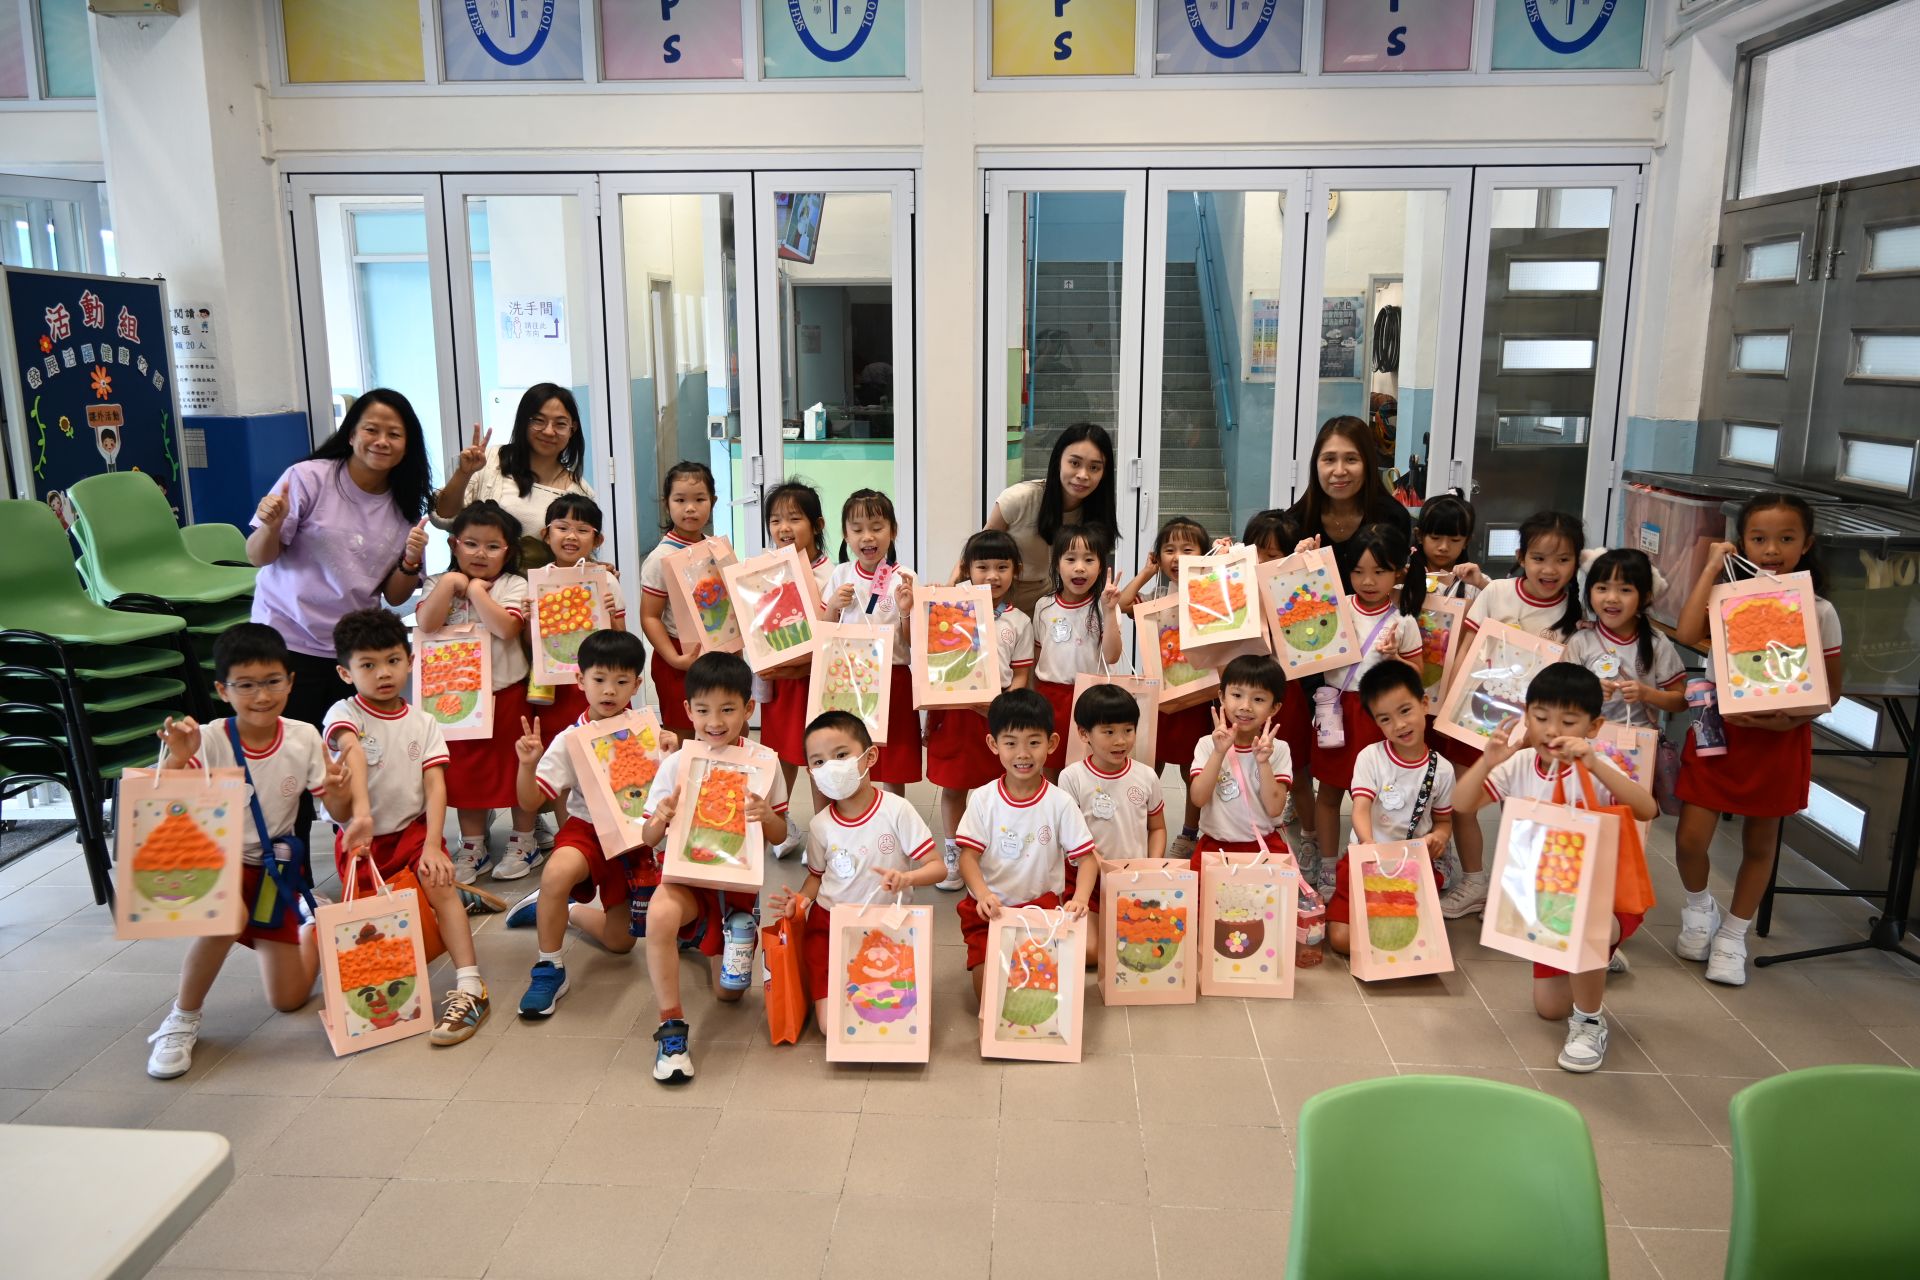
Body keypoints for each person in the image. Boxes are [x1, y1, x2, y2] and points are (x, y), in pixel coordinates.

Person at [248, 389, 433, 849]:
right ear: (351, 434)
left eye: (394, 434)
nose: (381, 441)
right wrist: (271, 524)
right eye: (372, 429)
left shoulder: (404, 506)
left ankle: (355, 859)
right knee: (288, 765)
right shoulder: (308, 478)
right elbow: (258, 556)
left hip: (351, 655)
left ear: (407, 445)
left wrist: (411, 561)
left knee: (350, 764)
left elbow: (394, 594)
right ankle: (290, 873)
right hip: (286, 638)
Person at [1451, 663, 1658, 1072]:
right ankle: (1601, 956)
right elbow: (1461, 804)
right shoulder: (1520, 764)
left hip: (1606, 900)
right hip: (1547, 903)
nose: (1551, 730)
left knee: (1588, 925)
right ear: (1526, 716)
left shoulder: (1597, 765)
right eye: (1541, 717)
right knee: (1549, 1009)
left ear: (1593, 727)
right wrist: (1487, 762)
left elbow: (1646, 808)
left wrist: (1595, 765)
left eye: (1568, 721)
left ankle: (1590, 1021)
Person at [143, 625, 329, 1079]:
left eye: (272, 682)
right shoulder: (206, 739)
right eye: (245, 685)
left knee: (288, 1000)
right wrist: (176, 759)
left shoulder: (304, 736)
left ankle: (314, 927)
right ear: (222, 690)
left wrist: (345, 795)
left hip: (274, 873)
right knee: (224, 919)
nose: (261, 696)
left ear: (290, 681)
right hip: (216, 865)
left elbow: (335, 808)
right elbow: (157, 807)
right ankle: (181, 1019)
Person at [1672, 494, 1842, 987]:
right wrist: (1712, 568)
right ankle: (1699, 909)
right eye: (1759, 538)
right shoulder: (1727, 597)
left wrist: (1788, 721)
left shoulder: (1820, 610)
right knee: (1690, 839)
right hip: (1718, 732)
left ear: (1806, 544)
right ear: (1741, 541)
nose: (1771, 550)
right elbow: (1686, 631)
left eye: (1786, 539)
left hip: (1779, 740)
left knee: (1761, 843)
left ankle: (1733, 935)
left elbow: (1831, 690)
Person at [321, 608, 491, 1046]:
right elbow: (353, 752)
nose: (383, 673)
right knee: (374, 927)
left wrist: (434, 844)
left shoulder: (424, 721)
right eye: (368, 665)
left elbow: (435, 786)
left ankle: (471, 986)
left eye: (393, 660)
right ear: (345, 673)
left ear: (411, 661)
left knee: (439, 883)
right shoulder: (343, 712)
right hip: (360, 841)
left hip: (413, 833)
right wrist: (361, 815)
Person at [638, 653, 790, 1083]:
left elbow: (780, 834)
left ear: (749, 708)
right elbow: (647, 839)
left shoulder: (764, 762)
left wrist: (768, 816)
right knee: (660, 915)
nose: (715, 721)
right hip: (686, 881)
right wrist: (660, 818)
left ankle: (713, 931)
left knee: (728, 994)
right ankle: (671, 1028)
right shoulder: (676, 764)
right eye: (703, 710)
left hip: (735, 890)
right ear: (688, 710)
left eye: (727, 709)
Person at [508, 630, 669, 1017]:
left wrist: (672, 753)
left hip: (634, 839)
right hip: (587, 830)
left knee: (621, 943)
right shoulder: (570, 739)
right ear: (580, 680)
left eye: (621, 681)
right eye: (599, 679)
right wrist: (527, 765)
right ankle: (549, 965)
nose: (609, 690)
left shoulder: (647, 729)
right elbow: (530, 801)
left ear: (637, 684)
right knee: (557, 872)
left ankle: (566, 911)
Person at [1440, 509, 1588, 921]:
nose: (1550, 569)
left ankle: (1520, 889)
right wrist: (1451, 706)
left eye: (1563, 560)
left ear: (1577, 562)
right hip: (1476, 717)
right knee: (1464, 802)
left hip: (1534, 732)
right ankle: (1474, 881)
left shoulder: (1576, 613)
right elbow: (1466, 648)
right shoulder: (1498, 593)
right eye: (1539, 558)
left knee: (1523, 808)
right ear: (1521, 556)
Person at [766, 711, 943, 1035]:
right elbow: (816, 878)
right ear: (811, 773)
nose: (831, 767)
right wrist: (800, 902)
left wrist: (907, 878)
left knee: (894, 1016)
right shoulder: (820, 825)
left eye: (841, 755)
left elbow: (937, 867)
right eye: (819, 762)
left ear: (869, 756)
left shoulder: (897, 810)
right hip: (831, 926)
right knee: (830, 1027)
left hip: (889, 928)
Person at [418, 501, 538, 883]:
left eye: (492, 546)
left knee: (515, 769)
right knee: (464, 775)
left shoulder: (514, 585)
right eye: (471, 544)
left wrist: (474, 591)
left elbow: (506, 628)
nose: (480, 554)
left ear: (508, 550)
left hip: (508, 693)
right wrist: (451, 585)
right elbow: (426, 622)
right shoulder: (437, 583)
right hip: (456, 702)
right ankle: (472, 845)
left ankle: (524, 840)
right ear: (453, 545)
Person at [953, 689, 1098, 1004]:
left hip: (1042, 912)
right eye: (1010, 743)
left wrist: (1080, 899)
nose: (1023, 753)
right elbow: (968, 858)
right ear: (993, 744)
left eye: (1034, 742)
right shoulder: (983, 799)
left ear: (1052, 743)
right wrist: (982, 893)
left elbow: (1087, 859)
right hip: (991, 913)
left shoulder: (1060, 802)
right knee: (990, 997)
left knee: (1042, 997)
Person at [1304, 524, 1424, 881]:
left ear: (1398, 572)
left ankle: (1373, 863)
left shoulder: (1403, 621)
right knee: (1329, 793)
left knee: (1377, 794)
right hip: (1336, 712)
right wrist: (1305, 563)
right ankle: (1329, 867)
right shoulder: (1336, 606)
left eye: (1379, 571)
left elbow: (1418, 674)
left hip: (1379, 718)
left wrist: (1395, 659)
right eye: (1358, 571)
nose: (1368, 581)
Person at [928, 529, 1036, 891]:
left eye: (1002, 567)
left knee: (998, 787)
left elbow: (1021, 674)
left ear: (1016, 570)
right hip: (956, 712)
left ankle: (993, 853)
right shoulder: (950, 607)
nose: (992, 575)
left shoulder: (1019, 621)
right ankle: (954, 852)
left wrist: (1003, 709)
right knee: (954, 786)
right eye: (983, 567)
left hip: (996, 716)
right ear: (967, 569)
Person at [1325, 662, 1455, 958]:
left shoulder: (1443, 770)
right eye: (1385, 719)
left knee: (1417, 942)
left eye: (1405, 711)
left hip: (1411, 868)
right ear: (1377, 723)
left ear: (1424, 704)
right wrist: (1368, 843)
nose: (1399, 725)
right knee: (1341, 940)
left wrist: (1439, 837)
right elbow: (1360, 808)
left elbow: (1444, 821)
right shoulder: (1371, 757)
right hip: (1367, 861)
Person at [1116, 515, 1212, 861]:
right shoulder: (1156, 595)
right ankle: (1141, 826)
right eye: (1169, 550)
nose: (1177, 557)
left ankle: (1189, 832)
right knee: (1147, 764)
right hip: (1158, 697)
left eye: (1188, 549)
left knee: (1192, 769)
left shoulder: (1210, 594)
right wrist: (1146, 572)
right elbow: (1124, 603)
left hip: (1197, 696)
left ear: (1203, 554)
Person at [755, 479, 835, 856]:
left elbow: (836, 637)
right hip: (780, 683)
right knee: (779, 752)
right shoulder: (765, 571)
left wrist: (797, 669)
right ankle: (782, 822)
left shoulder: (831, 575)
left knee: (817, 756)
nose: (783, 528)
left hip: (816, 681)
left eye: (794, 518)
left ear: (817, 525)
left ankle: (823, 832)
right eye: (775, 520)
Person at [825, 488, 921, 794]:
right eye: (857, 529)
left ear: (893, 531)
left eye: (877, 527)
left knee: (894, 758)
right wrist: (833, 605)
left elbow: (915, 642)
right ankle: (853, 808)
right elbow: (824, 633)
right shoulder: (840, 574)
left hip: (894, 676)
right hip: (850, 678)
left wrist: (906, 611)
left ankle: (893, 811)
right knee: (850, 751)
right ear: (845, 534)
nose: (867, 537)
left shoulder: (904, 577)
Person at [434, 384, 593, 569]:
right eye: (538, 420)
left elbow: (580, 555)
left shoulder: (580, 491)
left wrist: (597, 567)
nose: (549, 431)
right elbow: (443, 517)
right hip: (476, 583)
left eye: (560, 424)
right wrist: (464, 473)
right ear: (524, 422)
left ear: (572, 429)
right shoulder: (491, 460)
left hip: (541, 587)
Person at [1243, 509, 1322, 877]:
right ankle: (1242, 832)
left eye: (1272, 555)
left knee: (1299, 771)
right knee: (1242, 763)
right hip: (1243, 691)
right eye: (1255, 552)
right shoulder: (1235, 585)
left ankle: (1310, 837)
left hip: (1285, 691)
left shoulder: (1295, 589)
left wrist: (1307, 565)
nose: (1261, 562)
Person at [987, 423, 1121, 616]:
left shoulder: (1096, 515)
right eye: (1074, 463)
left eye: (1094, 467)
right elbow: (979, 552)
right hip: (998, 608)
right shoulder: (1019, 498)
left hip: (1050, 613)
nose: (1083, 475)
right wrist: (951, 589)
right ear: (1058, 460)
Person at [1058, 683, 1166, 913]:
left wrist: (1152, 865)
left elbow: (1157, 828)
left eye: (1128, 730)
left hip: (1136, 879)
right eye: (1109, 732)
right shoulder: (1072, 778)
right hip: (1087, 882)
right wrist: (1108, 871)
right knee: (1088, 935)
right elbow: (1073, 840)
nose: (1120, 741)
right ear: (1084, 733)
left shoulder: (1147, 776)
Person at [1030, 526, 1126, 777]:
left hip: (1092, 698)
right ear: (1057, 564)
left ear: (1101, 566)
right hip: (1050, 696)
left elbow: (1112, 656)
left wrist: (1109, 610)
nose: (1080, 567)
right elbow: (1038, 656)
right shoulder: (1044, 606)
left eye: (1089, 560)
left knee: (1087, 768)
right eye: (1071, 559)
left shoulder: (1106, 606)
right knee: (1051, 763)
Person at [528, 493, 625, 737]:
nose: (571, 536)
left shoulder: (606, 581)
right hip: (553, 687)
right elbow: (531, 644)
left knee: (604, 743)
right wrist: (529, 619)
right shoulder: (538, 582)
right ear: (546, 534)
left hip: (600, 683)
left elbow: (622, 641)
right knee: (557, 745)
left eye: (582, 530)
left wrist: (611, 616)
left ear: (597, 539)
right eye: (562, 528)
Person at [638, 461, 720, 739]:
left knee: (727, 726)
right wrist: (674, 659)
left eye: (699, 499)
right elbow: (649, 616)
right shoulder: (660, 558)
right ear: (666, 504)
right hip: (678, 655)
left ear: (712, 502)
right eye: (680, 500)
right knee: (681, 734)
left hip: (715, 652)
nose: (690, 508)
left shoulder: (716, 547)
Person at [1189, 655, 1293, 871]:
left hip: (1263, 847)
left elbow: (1275, 808)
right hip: (1214, 847)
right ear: (1222, 697)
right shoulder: (1207, 745)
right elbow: (1198, 799)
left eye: (1258, 699)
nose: (1245, 706)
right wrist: (1219, 753)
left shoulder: (1279, 749)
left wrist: (1263, 762)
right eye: (1237, 695)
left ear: (1274, 708)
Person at [1285, 416, 1412, 592]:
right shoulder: (1293, 522)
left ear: (1368, 464)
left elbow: (1399, 585)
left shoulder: (1393, 519)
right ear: (1316, 465)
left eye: (1351, 459)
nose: (1339, 471)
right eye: (1329, 459)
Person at [1567, 548, 1687, 727]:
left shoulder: (1656, 642)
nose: (1612, 598)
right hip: (1587, 738)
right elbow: (1560, 693)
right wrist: (1590, 690)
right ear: (1589, 592)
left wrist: (1647, 694)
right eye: (1602, 588)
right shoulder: (1580, 641)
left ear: (1645, 597)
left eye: (1625, 590)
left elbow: (1681, 701)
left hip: (1639, 740)